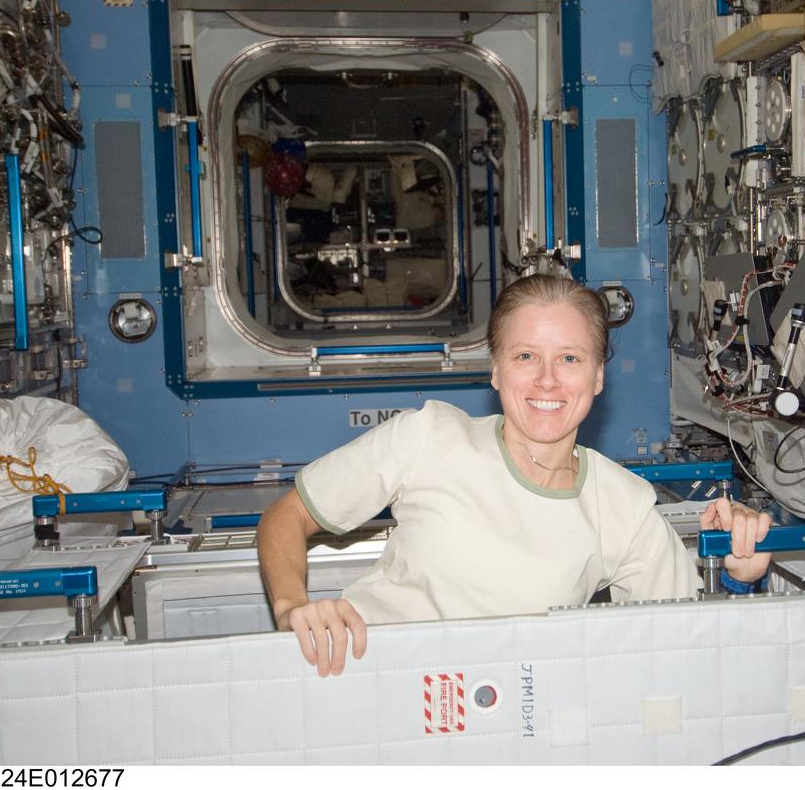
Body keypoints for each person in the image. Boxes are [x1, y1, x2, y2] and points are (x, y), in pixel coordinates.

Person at [257, 274, 773, 677]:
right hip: (356, 675)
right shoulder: (427, 437)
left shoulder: (624, 506)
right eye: (525, 356)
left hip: (499, 718)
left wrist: (740, 576)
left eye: (569, 358)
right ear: (497, 370)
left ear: (597, 376)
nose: (547, 379)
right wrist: (292, 607)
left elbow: (685, 647)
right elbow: (286, 516)